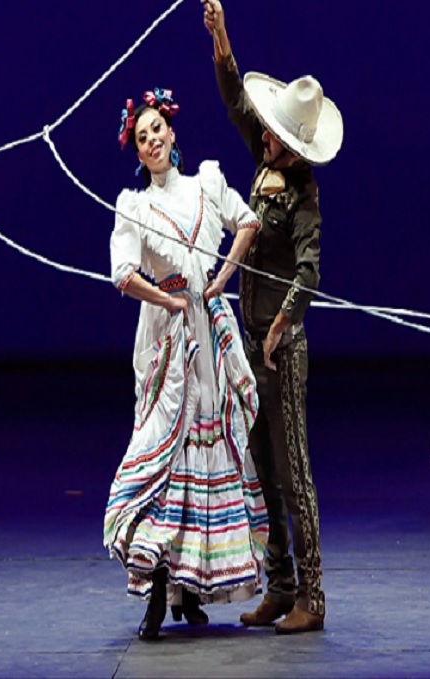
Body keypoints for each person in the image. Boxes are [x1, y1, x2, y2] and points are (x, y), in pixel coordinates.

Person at [104, 87, 269, 640]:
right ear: (137, 148)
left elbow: (247, 223)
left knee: (211, 445)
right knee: (167, 451)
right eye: (141, 136)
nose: (151, 140)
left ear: (172, 132)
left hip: (211, 331)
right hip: (169, 339)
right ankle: (156, 588)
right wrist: (171, 299)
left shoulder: (205, 184)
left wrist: (222, 279)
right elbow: (124, 273)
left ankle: (191, 586)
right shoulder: (136, 206)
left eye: (157, 130)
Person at [203, 0, 341, 634]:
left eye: (277, 135)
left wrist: (282, 325)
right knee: (261, 468)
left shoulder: (305, 196)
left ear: (296, 146)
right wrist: (222, 38)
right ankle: (280, 586)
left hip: (281, 349)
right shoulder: (264, 166)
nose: (264, 135)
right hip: (253, 337)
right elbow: (237, 102)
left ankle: (311, 596)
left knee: (294, 473)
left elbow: (309, 271)